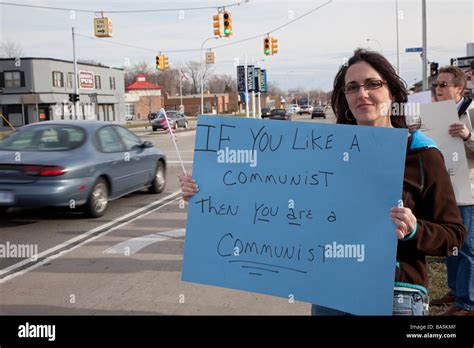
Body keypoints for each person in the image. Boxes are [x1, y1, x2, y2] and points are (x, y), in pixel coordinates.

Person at [179, 49, 466, 316]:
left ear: (392, 91)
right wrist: (208, 193)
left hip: (393, 296)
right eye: (351, 87)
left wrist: (414, 230)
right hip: (330, 292)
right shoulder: (325, 154)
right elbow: (272, 205)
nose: (361, 94)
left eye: (372, 84)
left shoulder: (421, 154)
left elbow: (453, 235)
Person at [429, 66, 474, 316]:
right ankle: (454, 291)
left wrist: (467, 136)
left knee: (467, 247)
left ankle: (468, 303)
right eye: (437, 85)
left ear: (460, 88)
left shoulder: (472, 112)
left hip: (468, 192)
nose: (438, 89)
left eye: (444, 85)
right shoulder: (435, 115)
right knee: (451, 245)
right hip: (446, 190)